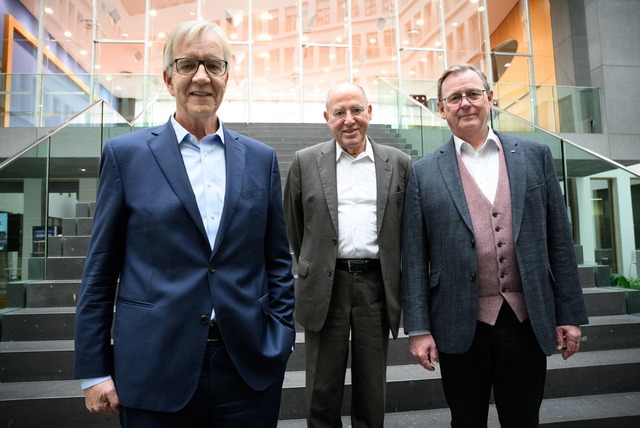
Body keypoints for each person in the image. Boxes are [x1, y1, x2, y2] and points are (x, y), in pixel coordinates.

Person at [73, 20, 295, 428]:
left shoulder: (261, 159)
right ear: (167, 76)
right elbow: (101, 270)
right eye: (188, 63)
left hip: (247, 367)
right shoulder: (126, 155)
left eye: (213, 64)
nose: (201, 77)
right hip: (154, 366)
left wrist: (280, 335)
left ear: (227, 76)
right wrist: (94, 368)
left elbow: (277, 259)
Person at [401, 63, 589, 427]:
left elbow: (559, 241)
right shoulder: (423, 171)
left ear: (490, 98)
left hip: (525, 319)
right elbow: (414, 257)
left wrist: (569, 314)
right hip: (457, 322)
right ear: (441, 109)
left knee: (523, 419)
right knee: (466, 420)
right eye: (454, 98)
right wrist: (419, 328)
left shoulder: (535, 156)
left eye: (473, 94)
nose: (465, 103)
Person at [284, 82, 412, 427]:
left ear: (370, 112)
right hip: (327, 286)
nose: (349, 120)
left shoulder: (399, 162)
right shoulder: (305, 162)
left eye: (356, 109)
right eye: (339, 112)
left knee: (372, 394)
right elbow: (296, 227)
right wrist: (317, 263)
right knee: (321, 394)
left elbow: (407, 229)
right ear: (327, 118)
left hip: (376, 287)